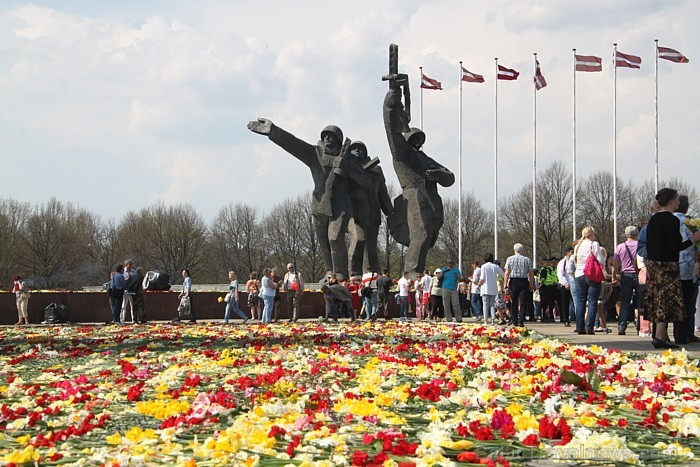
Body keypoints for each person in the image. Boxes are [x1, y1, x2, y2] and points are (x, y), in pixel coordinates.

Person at [247, 118, 369, 279]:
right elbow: (294, 144)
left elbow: (364, 180)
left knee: (335, 237)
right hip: (319, 204)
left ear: (339, 141)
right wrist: (273, 131)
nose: (327, 139)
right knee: (324, 244)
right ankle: (329, 271)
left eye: (331, 136)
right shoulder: (315, 154)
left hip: (340, 205)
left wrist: (347, 167)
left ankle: (339, 273)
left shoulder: (348, 159)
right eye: (325, 136)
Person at [383, 75, 455, 274]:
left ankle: (417, 270)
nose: (416, 141)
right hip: (414, 198)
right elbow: (390, 128)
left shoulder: (425, 157)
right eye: (413, 137)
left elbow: (450, 176)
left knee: (428, 235)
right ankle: (412, 272)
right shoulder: (402, 154)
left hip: (432, 201)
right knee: (421, 234)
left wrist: (439, 175)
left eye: (419, 138)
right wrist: (392, 98)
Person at [646, 189, 700, 348]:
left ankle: (661, 335)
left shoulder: (653, 220)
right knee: (668, 299)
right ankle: (660, 336)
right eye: (676, 199)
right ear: (670, 201)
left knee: (658, 298)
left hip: (654, 263)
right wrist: (692, 240)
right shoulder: (671, 220)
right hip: (668, 264)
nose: (679, 202)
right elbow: (674, 246)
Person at [347, 141, 394, 274]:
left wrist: (390, 211)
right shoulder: (348, 168)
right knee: (357, 241)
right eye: (354, 149)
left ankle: (372, 274)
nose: (357, 151)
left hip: (373, 213)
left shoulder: (376, 169)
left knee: (371, 248)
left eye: (361, 148)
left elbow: (382, 192)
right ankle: (353, 274)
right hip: (355, 213)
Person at [573, 227, 606, 335]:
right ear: (592, 234)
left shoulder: (577, 246)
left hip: (579, 274)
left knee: (580, 301)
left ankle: (579, 327)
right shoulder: (594, 244)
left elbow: (575, 261)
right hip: (591, 274)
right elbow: (600, 259)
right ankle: (589, 327)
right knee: (592, 301)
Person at [674, 195, 699, 344]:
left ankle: (678, 334)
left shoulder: (671, 220)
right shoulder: (692, 222)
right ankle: (686, 333)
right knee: (689, 304)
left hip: (673, 265)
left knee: (677, 303)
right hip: (690, 267)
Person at [612, 226, 640, 335]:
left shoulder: (620, 247)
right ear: (636, 234)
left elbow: (615, 264)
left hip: (625, 276)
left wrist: (614, 277)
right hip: (638, 275)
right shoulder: (640, 245)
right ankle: (641, 326)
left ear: (626, 234)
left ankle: (622, 326)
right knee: (640, 302)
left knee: (624, 302)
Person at [503, 243, 535, 327]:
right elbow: (531, 273)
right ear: (522, 250)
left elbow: (507, 272)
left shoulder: (509, 259)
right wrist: (531, 284)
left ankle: (514, 320)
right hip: (524, 281)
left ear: (514, 250)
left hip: (513, 281)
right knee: (523, 301)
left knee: (514, 301)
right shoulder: (527, 259)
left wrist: (505, 284)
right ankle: (521, 320)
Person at [479, 254, 505, 325]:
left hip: (485, 288)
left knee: (485, 305)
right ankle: (493, 320)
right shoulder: (495, 266)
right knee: (492, 305)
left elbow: (482, 278)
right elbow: (503, 274)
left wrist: (478, 284)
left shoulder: (483, 266)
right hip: (494, 288)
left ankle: (485, 320)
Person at [557, 246, 575, 327]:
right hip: (566, 286)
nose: (572, 254)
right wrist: (565, 283)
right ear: (567, 252)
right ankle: (566, 320)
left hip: (574, 285)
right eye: (571, 252)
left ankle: (577, 319)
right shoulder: (563, 262)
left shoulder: (575, 261)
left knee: (576, 303)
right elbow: (560, 274)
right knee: (565, 304)